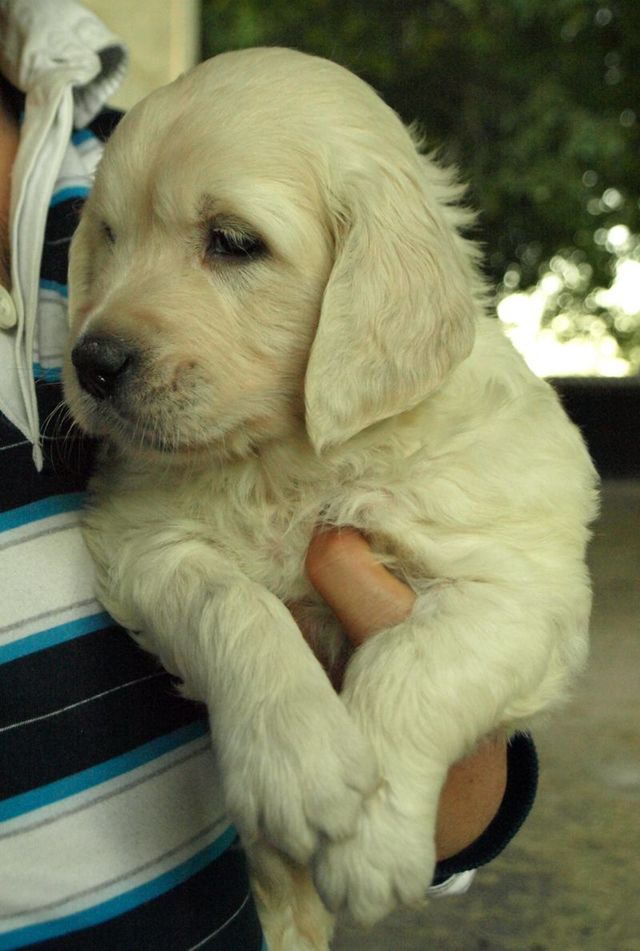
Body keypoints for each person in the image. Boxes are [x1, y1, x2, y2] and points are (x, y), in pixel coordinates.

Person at [0, 1, 538, 947]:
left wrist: (434, 757)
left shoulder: (142, 144)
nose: (98, 337)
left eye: (233, 244)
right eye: (110, 244)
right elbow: (145, 544)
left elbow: (471, 795)